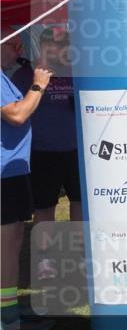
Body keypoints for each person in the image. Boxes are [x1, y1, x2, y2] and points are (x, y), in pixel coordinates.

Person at [20, 28, 83, 281]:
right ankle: (45, 259)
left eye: (63, 44)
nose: (59, 49)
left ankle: (81, 255)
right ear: (43, 46)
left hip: (76, 149)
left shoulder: (75, 72)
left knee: (80, 203)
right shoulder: (28, 73)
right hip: (42, 150)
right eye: (53, 44)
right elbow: (17, 108)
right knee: (45, 207)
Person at [1, 46, 52, 330]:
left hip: (13, 170)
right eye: (13, 44)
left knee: (12, 239)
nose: (19, 50)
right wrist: (38, 85)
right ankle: (6, 318)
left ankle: (8, 308)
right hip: (4, 172)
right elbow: (17, 114)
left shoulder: (4, 77)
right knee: (6, 244)